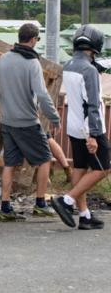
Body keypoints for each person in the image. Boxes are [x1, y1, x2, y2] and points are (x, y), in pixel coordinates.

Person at [0, 23, 61, 221]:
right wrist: (54, 117)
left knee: (9, 164)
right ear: (33, 40)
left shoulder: (4, 58)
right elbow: (42, 94)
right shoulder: (32, 63)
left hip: (7, 121)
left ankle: (5, 208)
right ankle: (40, 203)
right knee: (44, 159)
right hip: (27, 122)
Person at [51, 25, 110, 230]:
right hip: (90, 127)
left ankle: (84, 215)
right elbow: (92, 104)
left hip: (74, 126)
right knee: (104, 167)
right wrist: (93, 135)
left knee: (80, 167)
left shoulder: (68, 65)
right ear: (95, 47)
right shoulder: (89, 70)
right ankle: (66, 201)